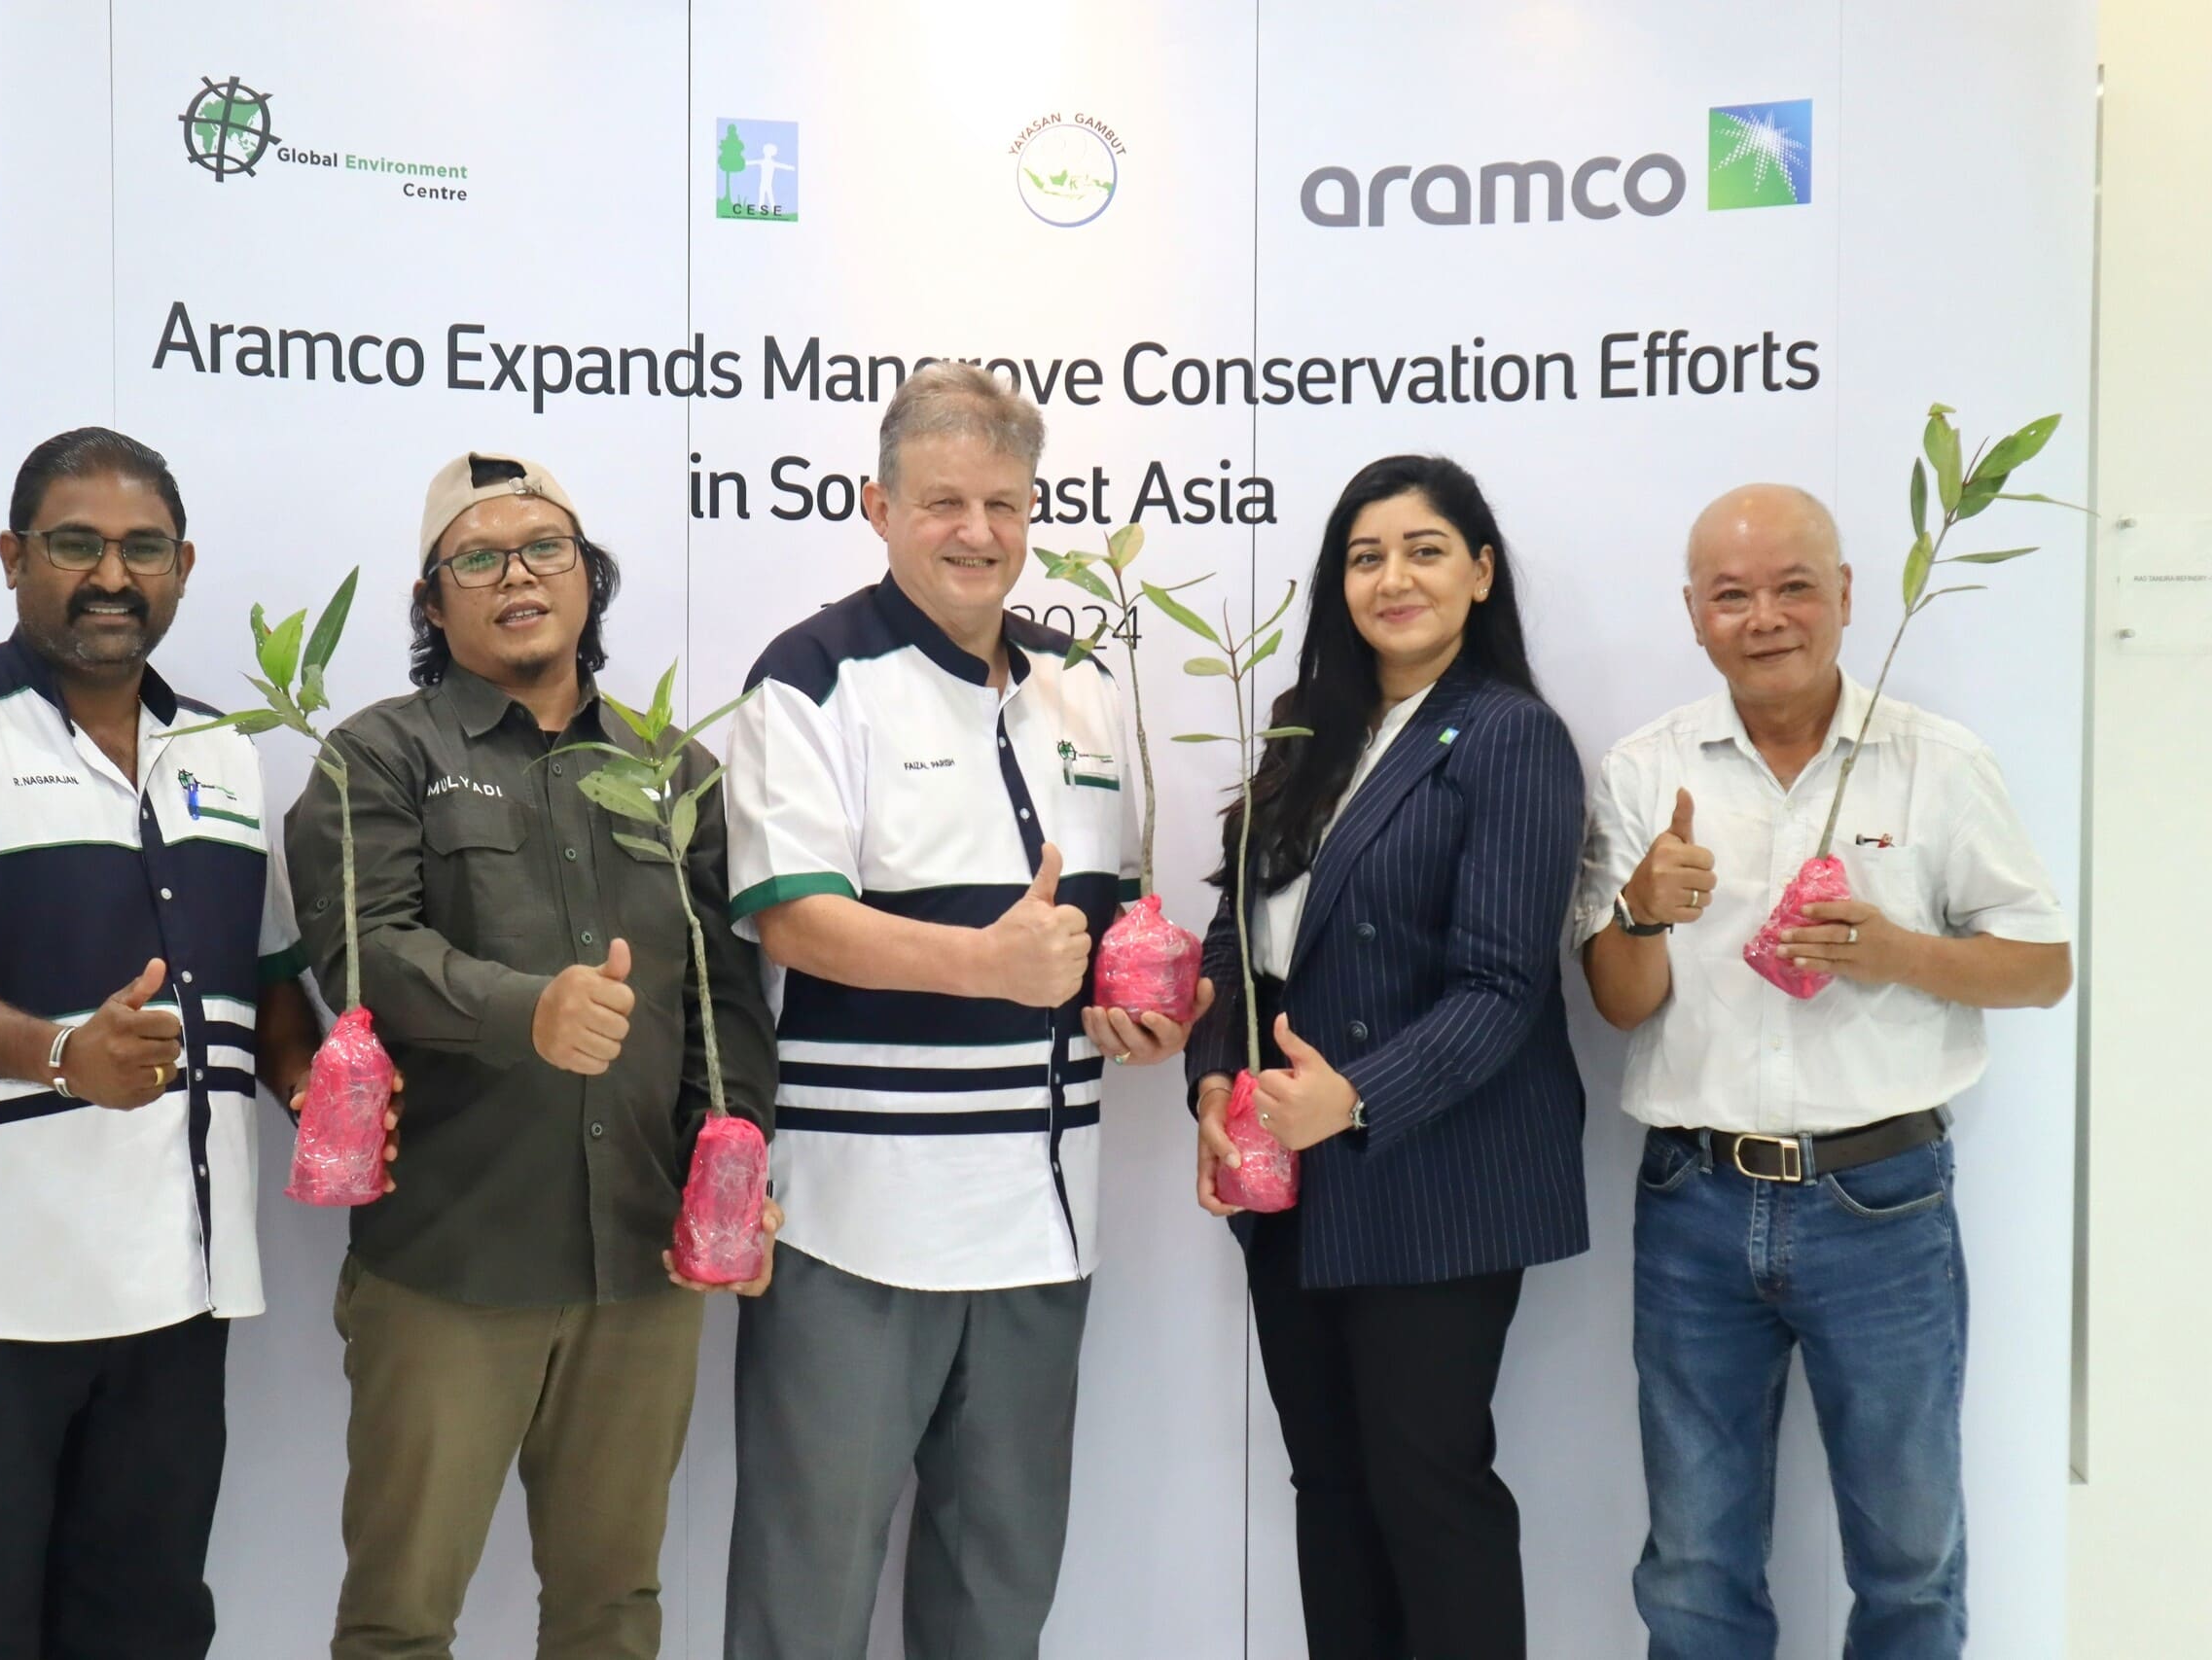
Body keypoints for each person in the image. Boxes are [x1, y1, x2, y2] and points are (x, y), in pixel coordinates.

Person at [0, 427, 342, 1658]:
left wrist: (309, 1078)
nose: (113, 576)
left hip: (175, 1296)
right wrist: (63, 1057)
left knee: (150, 1626)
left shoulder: (219, 753)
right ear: (13, 558)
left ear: (183, 565)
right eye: (77, 545)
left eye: (143, 548)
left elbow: (264, 978)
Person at [720, 363, 1205, 1659]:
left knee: (998, 1599)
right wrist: (983, 966)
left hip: (1043, 1226)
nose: (976, 529)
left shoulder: (1086, 685)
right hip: (854, 1229)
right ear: (878, 505)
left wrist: (1143, 1009)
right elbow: (791, 913)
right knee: (804, 1594)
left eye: (1001, 500)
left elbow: (1104, 939)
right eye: (942, 500)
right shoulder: (811, 675)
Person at [285, 450, 779, 1660]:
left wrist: (738, 1169)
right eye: (478, 557)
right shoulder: (375, 758)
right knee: (402, 1619)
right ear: (431, 599)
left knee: (613, 1614)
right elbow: (363, 958)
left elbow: (726, 1000)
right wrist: (526, 1010)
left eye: (545, 549)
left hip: (640, 1264)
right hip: (451, 1261)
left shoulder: (673, 772)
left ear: (588, 578)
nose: (517, 576)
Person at [1574, 483, 2072, 1660]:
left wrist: (1897, 951)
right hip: (1691, 1201)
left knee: (1908, 1557)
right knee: (1694, 1565)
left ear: (1846, 597)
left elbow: (2043, 967)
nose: (1766, 617)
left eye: (1795, 586)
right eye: (1732, 595)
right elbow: (1613, 1003)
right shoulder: (1645, 771)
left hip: (1881, 1202)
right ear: (1693, 615)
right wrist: (1640, 917)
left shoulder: (1933, 764)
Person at [1185, 454, 1589, 1660]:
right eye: (1365, 556)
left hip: (1436, 1176)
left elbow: (1503, 985)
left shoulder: (1512, 736)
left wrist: (1353, 1100)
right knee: (1331, 1491)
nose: (1391, 577)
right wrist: (1215, 1076)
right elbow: (1233, 929)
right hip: (1292, 1183)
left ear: (1479, 572)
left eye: (1422, 550)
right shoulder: (1305, 730)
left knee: (1429, 1492)